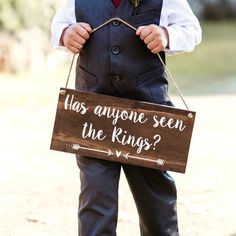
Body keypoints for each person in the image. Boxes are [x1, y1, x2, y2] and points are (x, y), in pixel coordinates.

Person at [51, 0, 201, 235]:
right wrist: (66, 34)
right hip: (94, 117)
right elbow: (59, 25)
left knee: (156, 200)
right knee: (96, 198)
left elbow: (192, 30)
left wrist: (166, 35)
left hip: (148, 117)